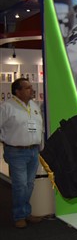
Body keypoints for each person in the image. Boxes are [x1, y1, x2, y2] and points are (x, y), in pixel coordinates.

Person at [0, 78, 44, 229]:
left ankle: (26, 212)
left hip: (33, 151)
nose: (32, 90)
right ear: (17, 91)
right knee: (20, 185)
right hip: (16, 152)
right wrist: (5, 140)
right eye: (27, 88)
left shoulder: (34, 105)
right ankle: (19, 215)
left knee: (29, 184)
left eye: (31, 87)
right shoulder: (6, 107)